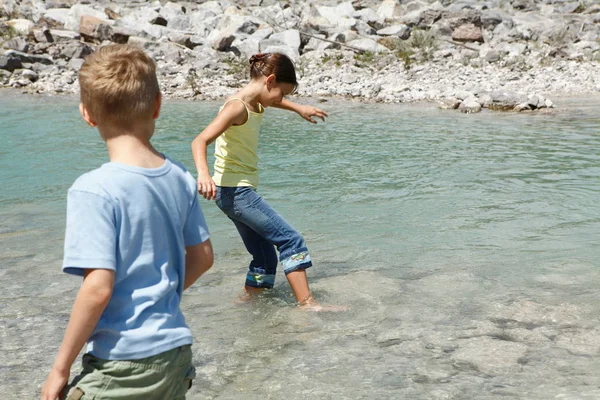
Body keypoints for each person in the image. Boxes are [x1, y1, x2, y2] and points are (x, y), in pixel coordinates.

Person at [41, 44, 214, 400]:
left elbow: (98, 288)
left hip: (122, 362)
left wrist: (60, 369)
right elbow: (203, 257)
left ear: (87, 115)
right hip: (175, 353)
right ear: (157, 105)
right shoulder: (180, 177)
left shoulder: (93, 190)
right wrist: (159, 298)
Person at [191, 52, 328, 310]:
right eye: (282, 93)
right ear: (270, 80)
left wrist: (299, 108)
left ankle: (248, 304)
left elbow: (270, 101)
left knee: (264, 257)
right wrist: (203, 174)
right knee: (291, 240)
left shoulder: (255, 101)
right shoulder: (236, 107)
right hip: (236, 193)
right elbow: (199, 141)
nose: (281, 99)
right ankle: (307, 303)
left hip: (231, 193)